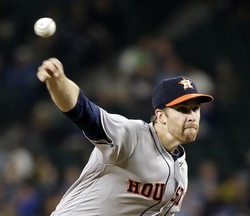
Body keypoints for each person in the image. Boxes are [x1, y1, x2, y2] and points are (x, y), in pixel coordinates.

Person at [37, 58, 214, 216]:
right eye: (182, 109)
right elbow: (82, 110)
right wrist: (58, 81)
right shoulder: (132, 136)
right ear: (161, 116)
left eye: (195, 109)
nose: (191, 116)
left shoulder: (181, 171)